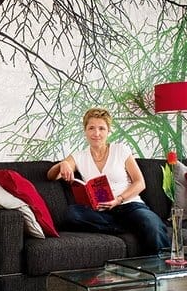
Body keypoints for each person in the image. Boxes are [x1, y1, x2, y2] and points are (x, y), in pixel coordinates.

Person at [46, 107, 169, 254]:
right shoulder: (79, 156)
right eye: (91, 128)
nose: (96, 133)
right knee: (72, 214)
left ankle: (163, 263)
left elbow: (140, 183)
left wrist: (118, 199)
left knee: (151, 223)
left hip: (129, 205)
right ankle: (130, 226)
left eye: (101, 128)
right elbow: (51, 176)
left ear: (108, 131)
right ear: (85, 131)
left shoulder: (120, 150)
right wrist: (63, 164)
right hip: (101, 212)